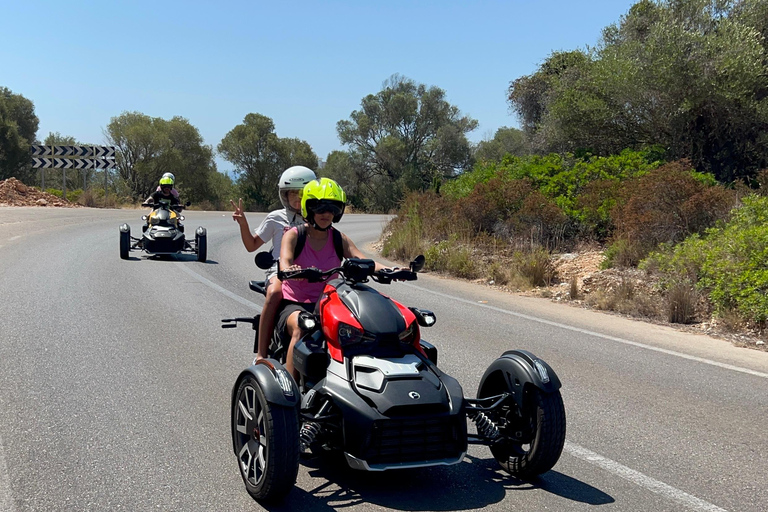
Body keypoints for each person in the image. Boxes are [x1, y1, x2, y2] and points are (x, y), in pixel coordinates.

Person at [277, 177, 396, 378]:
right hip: (296, 304)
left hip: (329, 303)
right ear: (309, 208)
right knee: (301, 326)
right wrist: (291, 270)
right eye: (321, 207)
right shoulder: (294, 235)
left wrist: (392, 270)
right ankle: (289, 393)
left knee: (361, 331)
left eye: (333, 208)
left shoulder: (337, 238)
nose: (327, 213)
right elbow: (285, 262)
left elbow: (363, 260)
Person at [231, 165, 317, 361]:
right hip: (279, 270)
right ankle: (261, 354)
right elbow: (252, 245)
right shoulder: (276, 217)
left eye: (302, 193)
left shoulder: (318, 217)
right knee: (275, 292)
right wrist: (243, 224)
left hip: (311, 271)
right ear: (284, 195)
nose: (297, 198)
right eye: (292, 193)